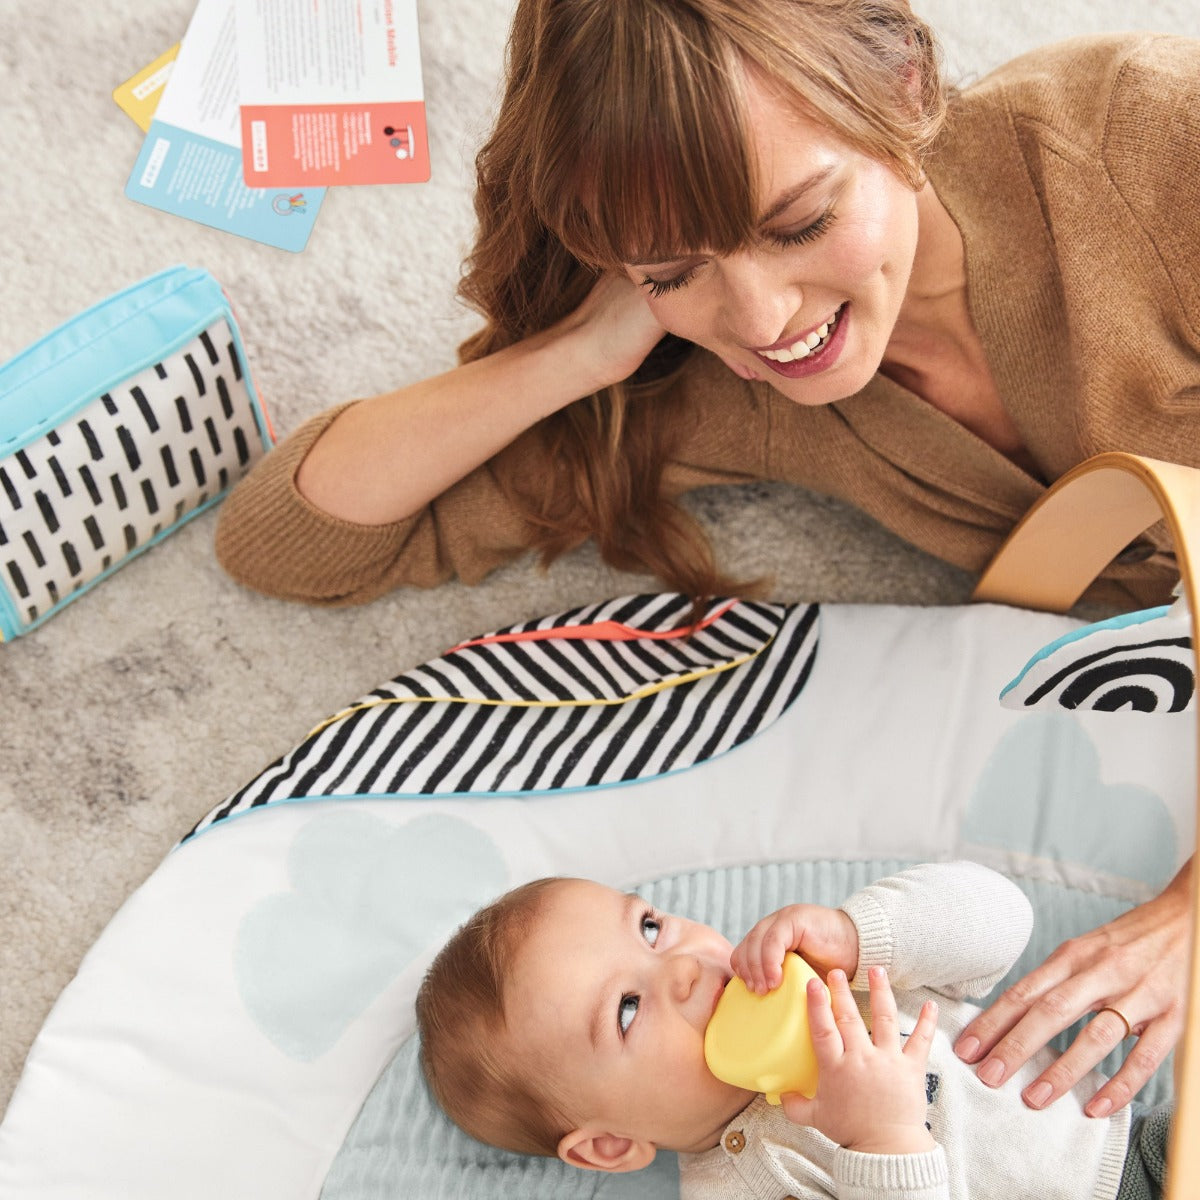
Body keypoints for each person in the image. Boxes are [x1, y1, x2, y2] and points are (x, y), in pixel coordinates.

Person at [214, 2, 1196, 1114]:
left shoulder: (1148, 143)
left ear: (907, 90)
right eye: (675, 268)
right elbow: (290, 542)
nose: (764, 316)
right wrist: (579, 350)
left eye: (798, 222)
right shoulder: (729, 382)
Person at [414, 862, 1173, 1199]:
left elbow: (1004, 919)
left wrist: (862, 931)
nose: (681, 965)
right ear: (612, 1144)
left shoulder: (828, 974)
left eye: (649, 927)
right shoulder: (741, 1188)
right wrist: (881, 1142)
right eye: (626, 1009)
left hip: (1140, 1148)